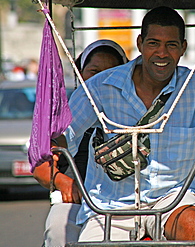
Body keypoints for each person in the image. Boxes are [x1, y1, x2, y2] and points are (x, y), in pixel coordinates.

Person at [45, 6, 195, 245]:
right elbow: (65, 132)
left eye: (171, 45)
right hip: (110, 204)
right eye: (154, 43)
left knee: (193, 225)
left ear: (183, 48)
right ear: (140, 43)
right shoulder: (101, 87)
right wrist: (51, 146)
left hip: (175, 199)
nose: (162, 53)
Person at [32, 39, 128, 247]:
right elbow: (41, 166)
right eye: (94, 71)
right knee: (58, 228)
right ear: (80, 73)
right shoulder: (66, 116)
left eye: (112, 71)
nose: (102, 78)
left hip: (126, 199)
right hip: (79, 200)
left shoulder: (135, 112)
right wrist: (62, 182)